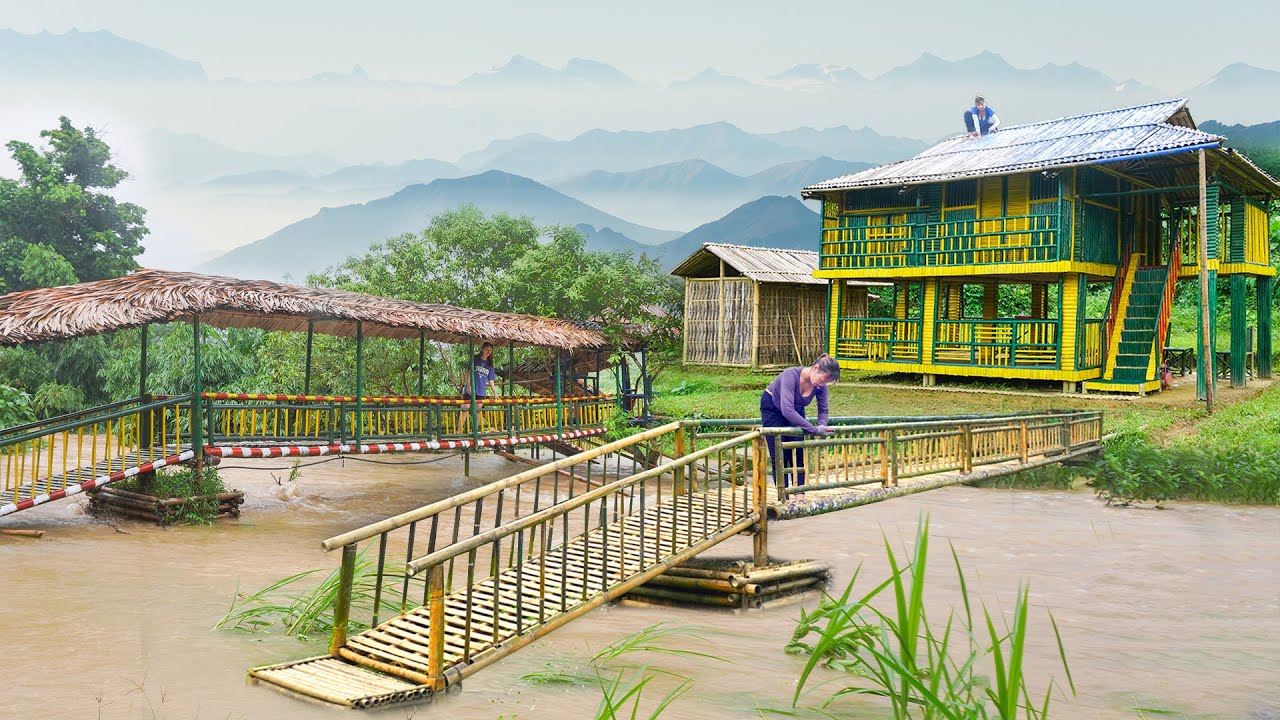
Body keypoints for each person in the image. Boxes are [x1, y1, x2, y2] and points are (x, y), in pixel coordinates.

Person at [760, 354, 840, 493]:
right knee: (779, 454)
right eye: (822, 380)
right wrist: (813, 430)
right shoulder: (790, 375)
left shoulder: (820, 386)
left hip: (794, 409)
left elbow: (823, 409)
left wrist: (822, 425)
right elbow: (787, 410)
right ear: (815, 368)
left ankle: (799, 494)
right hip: (773, 407)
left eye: (825, 383)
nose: (822, 385)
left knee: (798, 451)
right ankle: (783, 495)